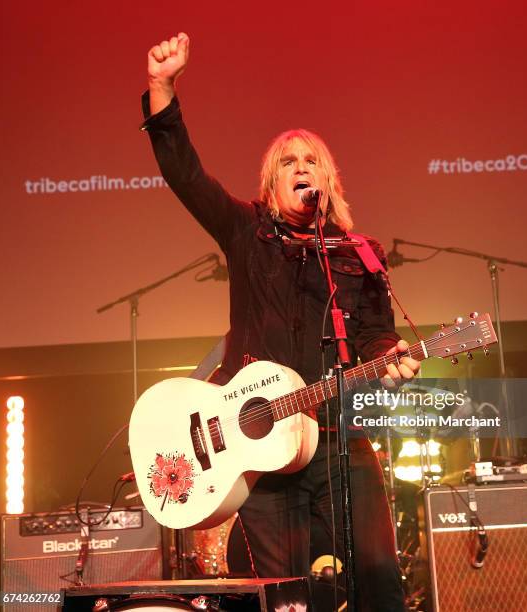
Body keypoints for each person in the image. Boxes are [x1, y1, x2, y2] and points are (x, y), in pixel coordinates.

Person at [142, 32, 421, 611]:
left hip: (341, 438)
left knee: (378, 579)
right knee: (288, 598)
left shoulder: (360, 253)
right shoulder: (247, 234)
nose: (301, 168)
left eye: (311, 160)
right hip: (258, 448)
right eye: (288, 162)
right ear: (271, 183)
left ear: (328, 179)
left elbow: (376, 333)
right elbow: (186, 176)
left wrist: (394, 355)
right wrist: (162, 88)